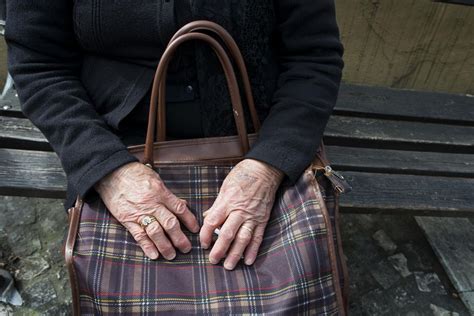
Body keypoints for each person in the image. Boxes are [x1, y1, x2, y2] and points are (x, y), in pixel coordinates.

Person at [6, 1, 343, 271]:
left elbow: (313, 58)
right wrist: (106, 169)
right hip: (114, 144)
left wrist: (268, 166)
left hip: (262, 139)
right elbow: (39, 64)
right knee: (123, 289)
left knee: (284, 282)